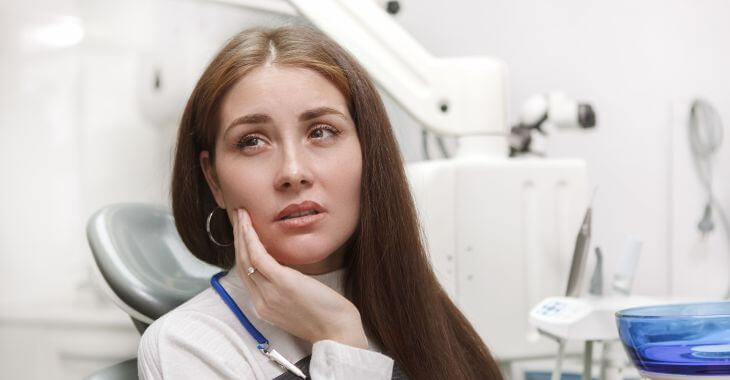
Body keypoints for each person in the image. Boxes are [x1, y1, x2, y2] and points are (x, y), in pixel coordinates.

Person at [137, 24, 503, 380]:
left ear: (368, 152)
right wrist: (340, 336)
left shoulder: (417, 308)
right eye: (252, 141)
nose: (293, 172)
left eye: (322, 132)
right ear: (213, 178)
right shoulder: (188, 347)